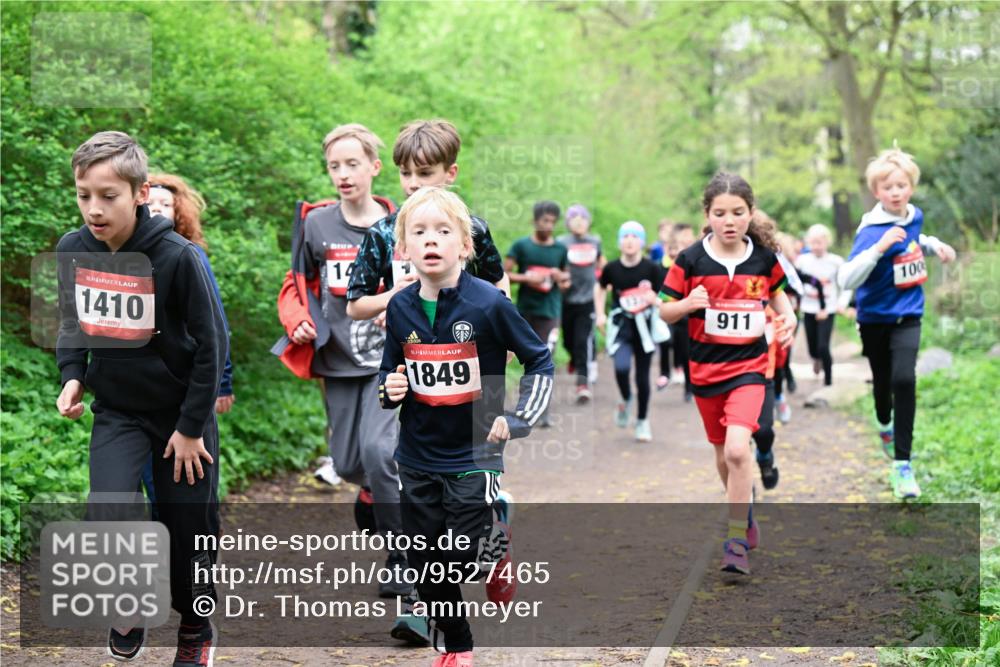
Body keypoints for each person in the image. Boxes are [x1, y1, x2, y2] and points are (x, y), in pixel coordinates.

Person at [55, 131, 227, 665]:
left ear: (139, 192)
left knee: (186, 530)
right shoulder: (73, 250)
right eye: (85, 194)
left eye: (108, 196)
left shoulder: (177, 256)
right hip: (119, 412)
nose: (94, 208)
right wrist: (72, 375)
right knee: (106, 510)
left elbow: (212, 345)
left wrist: (192, 427)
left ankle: (195, 628)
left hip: (182, 417)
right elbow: (72, 323)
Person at [380, 187, 554, 667]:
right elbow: (389, 371)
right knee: (422, 560)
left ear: (465, 245)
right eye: (419, 232)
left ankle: (495, 541)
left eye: (443, 231)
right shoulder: (398, 308)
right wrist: (389, 388)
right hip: (416, 454)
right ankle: (458, 647)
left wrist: (517, 419)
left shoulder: (488, 305)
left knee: (462, 555)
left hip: (475, 453)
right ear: (404, 249)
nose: (431, 241)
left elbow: (539, 360)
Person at [275, 123, 410, 596]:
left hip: (389, 361)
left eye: (353, 164)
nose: (343, 174)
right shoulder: (317, 224)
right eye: (335, 166)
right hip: (337, 358)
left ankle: (401, 557)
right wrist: (299, 323)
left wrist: (394, 307)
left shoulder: (402, 222)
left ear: (374, 167)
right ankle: (373, 488)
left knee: (379, 451)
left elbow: (421, 281)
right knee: (348, 461)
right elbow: (296, 283)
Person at [659, 172, 796, 575]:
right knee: (722, 453)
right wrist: (687, 304)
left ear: (750, 214)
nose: (729, 221)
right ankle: (745, 511)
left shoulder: (764, 261)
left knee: (739, 449)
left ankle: (735, 538)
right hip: (704, 370)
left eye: (738, 212)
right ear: (708, 215)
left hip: (750, 368)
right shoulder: (690, 260)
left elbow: (782, 303)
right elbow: (664, 309)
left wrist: (789, 323)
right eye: (720, 213)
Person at [837, 147, 956, 499]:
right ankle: (883, 422)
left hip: (909, 314)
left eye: (901, 185)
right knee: (883, 384)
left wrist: (936, 246)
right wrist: (878, 250)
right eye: (888, 187)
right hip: (874, 318)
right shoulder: (871, 230)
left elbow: (914, 238)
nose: (895, 193)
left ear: (910, 188)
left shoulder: (913, 215)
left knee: (904, 379)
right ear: (877, 192)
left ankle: (902, 465)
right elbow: (846, 279)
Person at [345, 119, 510, 323]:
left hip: (468, 344)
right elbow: (354, 307)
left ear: (450, 173)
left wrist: (506, 331)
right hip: (408, 346)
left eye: (424, 173)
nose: (413, 183)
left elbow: (498, 279)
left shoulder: (472, 229)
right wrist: (393, 296)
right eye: (405, 173)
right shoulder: (384, 233)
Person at [139, 173, 237, 512]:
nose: (157, 210)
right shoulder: (124, 256)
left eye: (166, 205)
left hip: (186, 384)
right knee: (153, 477)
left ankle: (195, 550)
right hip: (140, 389)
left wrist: (222, 382)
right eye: (151, 203)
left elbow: (215, 328)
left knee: (187, 476)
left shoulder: (191, 256)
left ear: (178, 214)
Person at [595, 221, 668, 442]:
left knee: (643, 378)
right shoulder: (612, 268)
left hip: (644, 330)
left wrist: (655, 300)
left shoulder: (652, 268)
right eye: (625, 236)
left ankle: (642, 421)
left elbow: (665, 295)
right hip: (622, 329)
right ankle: (626, 399)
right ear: (619, 242)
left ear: (642, 242)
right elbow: (599, 288)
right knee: (621, 367)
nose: (629, 240)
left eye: (634, 236)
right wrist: (600, 313)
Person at [505, 201, 569, 426]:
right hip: (524, 312)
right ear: (535, 221)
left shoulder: (560, 250)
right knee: (526, 360)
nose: (548, 225)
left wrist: (561, 277)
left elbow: (566, 281)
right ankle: (525, 406)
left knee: (545, 358)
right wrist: (527, 278)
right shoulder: (522, 246)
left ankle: (542, 411)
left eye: (552, 221)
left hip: (550, 312)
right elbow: (504, 274)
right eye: (544, 221)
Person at [557, 204, 603, 402]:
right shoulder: (561, 242)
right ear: (568, 223)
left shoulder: (595, 241)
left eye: (583, 219)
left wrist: (603, 281)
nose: (579, 223)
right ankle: (574, 359)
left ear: (588, 221)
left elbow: (601, 262)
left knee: (582, 341)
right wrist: (561, 281)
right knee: (568, 341)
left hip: (588, 299)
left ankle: (582, 385)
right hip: (567, 299)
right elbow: (556, 267)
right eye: (574, 219)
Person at [795, 224, 849, 386]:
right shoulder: (802, 261)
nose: (817, 246)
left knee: (823, 346)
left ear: (827, 242)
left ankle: (828, 380)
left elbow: (846, 285)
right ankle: (815, 359)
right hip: (809, 308)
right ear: (808, 243)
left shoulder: (836, 262)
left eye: (820, 242)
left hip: (828, 309)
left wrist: (842, 304)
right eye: (813, 243)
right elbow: (794, 283)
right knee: (812, 347)